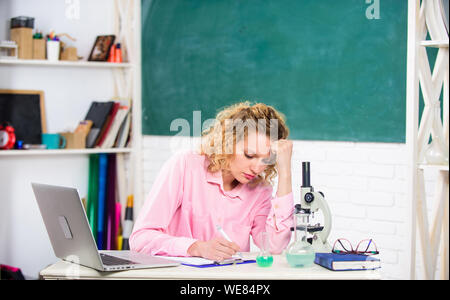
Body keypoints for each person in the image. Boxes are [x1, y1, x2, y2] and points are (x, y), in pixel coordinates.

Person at [130, 102, 294, 261]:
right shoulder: (186, 165)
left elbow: (275, 247)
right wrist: (196, 247)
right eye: (249, 155)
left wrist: (285, 172)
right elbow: (140, 239)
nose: (257, 168)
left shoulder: (259, 190)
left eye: (266, 160)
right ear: (227, 143)